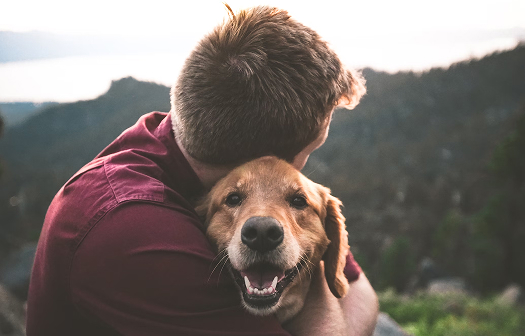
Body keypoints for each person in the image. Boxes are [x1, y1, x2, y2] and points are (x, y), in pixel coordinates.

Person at [26, 5, 378, 336]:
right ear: (264, 160)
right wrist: (317, 292)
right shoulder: (134, 232)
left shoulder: (178, 139)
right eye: (310, 150)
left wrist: (314, 266)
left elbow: (361, 292)